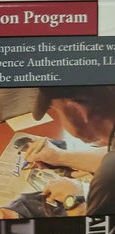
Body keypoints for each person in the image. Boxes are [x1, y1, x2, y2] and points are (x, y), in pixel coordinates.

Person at [29, 85, 115, 216]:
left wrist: (74, 199)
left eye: (57, 111)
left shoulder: (108, 178)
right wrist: (60, 156)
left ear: (77, 111)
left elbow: (92, 229)